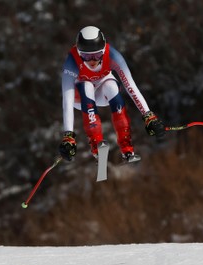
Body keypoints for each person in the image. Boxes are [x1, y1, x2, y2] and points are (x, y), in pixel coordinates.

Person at [58, 25, 165, 162]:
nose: (92, 61)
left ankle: (127, 149)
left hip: (103, 93)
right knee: (86, 85)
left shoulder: (113, 55)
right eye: (85, 56)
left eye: (97, 55)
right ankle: (97, 147)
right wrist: (68, 136)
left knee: (111, 86)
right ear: (79, 52)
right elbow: (67, 99)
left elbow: (131, 86)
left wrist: (148, 116)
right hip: (81, 99)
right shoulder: (71, 61)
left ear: (103, 50)